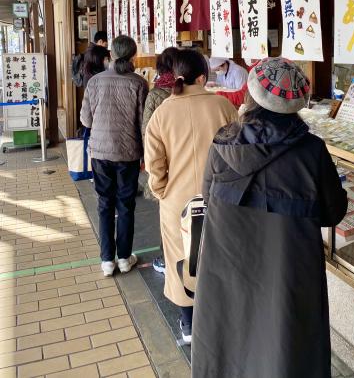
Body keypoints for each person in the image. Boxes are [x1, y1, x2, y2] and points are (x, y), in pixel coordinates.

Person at [192, 57, 348, 378]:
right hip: (289, 269)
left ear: (250, 96)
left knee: (229, 340)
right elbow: (333, 212)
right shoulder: (312, 150)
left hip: (227, 264)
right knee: (287, 346)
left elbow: (208, 197)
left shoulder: (223, 143)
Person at [144, 49, 237, 344]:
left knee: (182, 259)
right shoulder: (223, 107)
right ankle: (220, 321)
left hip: (177, 201)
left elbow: (154, 163)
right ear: (202, 76)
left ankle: (188, 326)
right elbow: (238, 153)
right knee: (220, 256)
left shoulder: (162, 113)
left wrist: (161, 192)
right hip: (221, 196)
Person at [81, 35, 148, 277]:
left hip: (99, 151)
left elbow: (85, 119)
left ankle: (107, 260)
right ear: (133, 56)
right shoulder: (139, 83)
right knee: (126, 205)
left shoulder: (95, 82)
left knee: (104, 204)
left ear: (111, 54)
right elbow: (143, 124)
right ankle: (124, 258)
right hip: (127, 153)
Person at [141, 46, 180, 274]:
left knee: (166, 211)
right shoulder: (188, 89)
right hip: (187, 157)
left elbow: (147, 130)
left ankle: (167, 258)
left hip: (164, 159)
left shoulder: (156, 93)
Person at [216, 40, 272, 108]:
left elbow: (243, 96)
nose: (245, 55)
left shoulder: (259, 71)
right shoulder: (269, 65)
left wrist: (217, 95)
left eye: (247, 51)